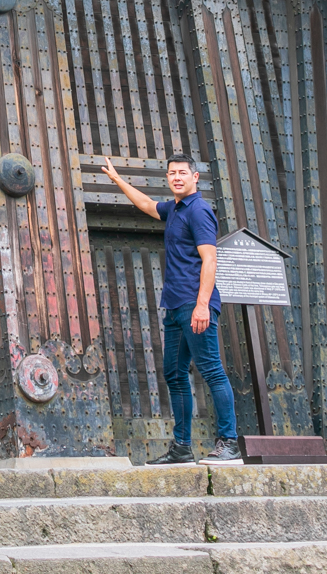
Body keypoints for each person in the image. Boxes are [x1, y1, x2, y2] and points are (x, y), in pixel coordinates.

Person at [99, 154, 239, 464]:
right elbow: (149, 206)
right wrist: (118, 180)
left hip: (194, 303)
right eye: (171, 173)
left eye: (182, 173)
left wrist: (202, 305)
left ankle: (229, 443)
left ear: (195, 177)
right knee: (175, 375)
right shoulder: (176, 209)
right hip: (175, 306)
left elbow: (210, 259)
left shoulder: (199, 210)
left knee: (211, 370)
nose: (176, 177)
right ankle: (181, 448)